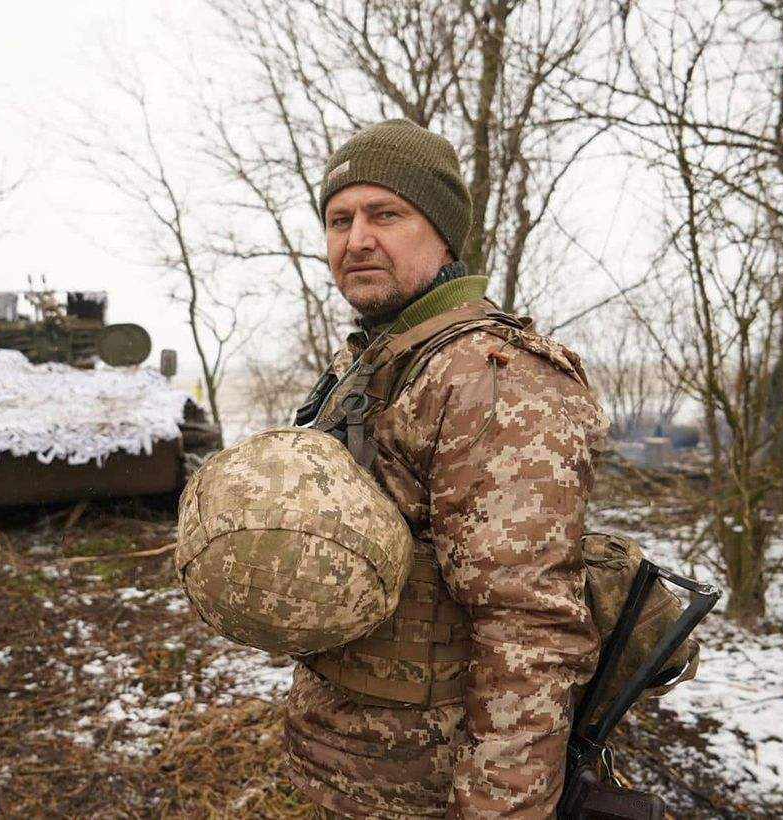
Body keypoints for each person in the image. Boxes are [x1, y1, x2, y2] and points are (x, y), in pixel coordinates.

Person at [285, 118, 609, 818]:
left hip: (429, 790)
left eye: (386, 214)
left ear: (443, 233)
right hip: (346, 769)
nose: (356, 239)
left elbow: (529, 635)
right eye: (339, 220)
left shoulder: (492, 377)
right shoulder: (381, 359)